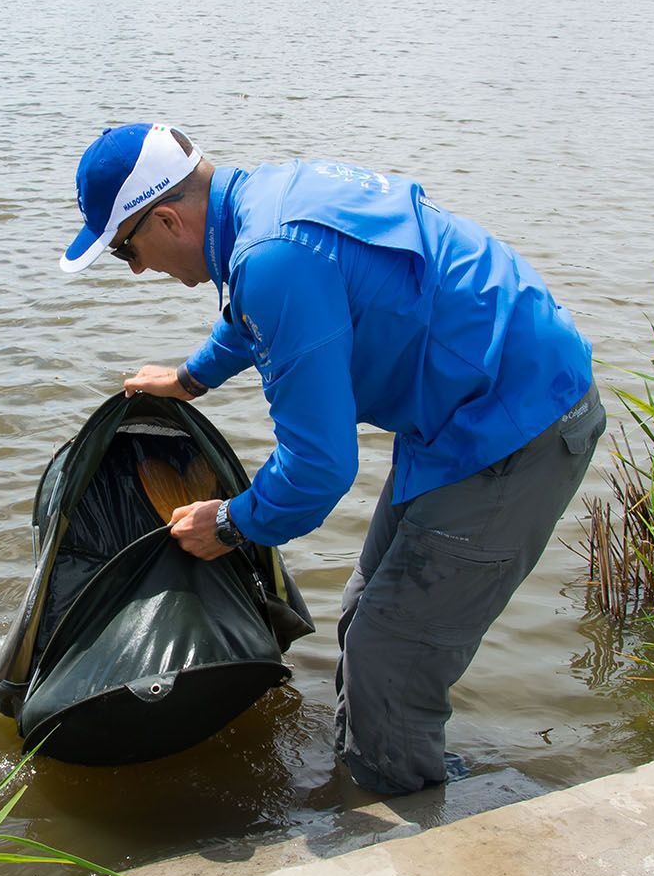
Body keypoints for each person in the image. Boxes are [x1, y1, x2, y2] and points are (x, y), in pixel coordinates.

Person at [58, 123, 605, 796]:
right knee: (363, 613)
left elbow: (319, 469)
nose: (138, 269)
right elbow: (257, 308)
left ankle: (405, 835)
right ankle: (375, 781)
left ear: (167, 217)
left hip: (519, 424)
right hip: (465, 406)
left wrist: (229, 524)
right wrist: (191, 379)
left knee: (390, 654)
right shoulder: (266, 201)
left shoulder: (272, 257)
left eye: (125, 250)